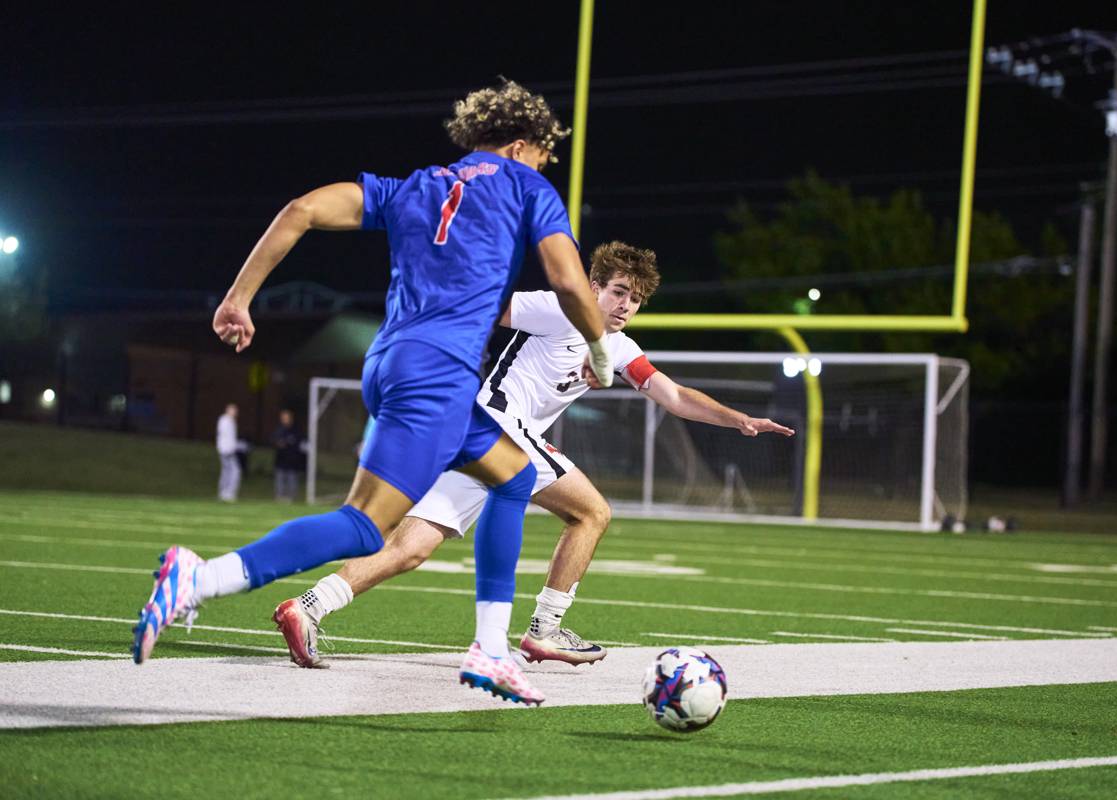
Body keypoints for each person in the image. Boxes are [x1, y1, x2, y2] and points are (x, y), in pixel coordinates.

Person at [131, 80, 611, 707]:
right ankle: (199, 579)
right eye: (543, 156)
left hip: (392, 361)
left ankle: (492, 652)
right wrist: (599, 348)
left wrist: (238, 298)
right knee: (363, 527)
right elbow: (570, 281)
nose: (543, 167)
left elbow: (301, 209)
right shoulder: (525, 184)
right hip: (437, 375)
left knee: (514, 476)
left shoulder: (413, 186)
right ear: (522, 146)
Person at [279, 242, 794, 669]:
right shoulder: (559, 308)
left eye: (635, 299)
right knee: (592, 512)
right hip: (496, 425)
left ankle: (308, 607)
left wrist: (738, 419)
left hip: (476, 439)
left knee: (411, 549)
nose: (625, 305)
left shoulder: (618, 349)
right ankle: (545, 629)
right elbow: (486, 307)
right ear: (593, 286)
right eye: (618, 291)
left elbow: (675, 396)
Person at [272, 409, 305, 502]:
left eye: (286, 418)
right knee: (280, 478)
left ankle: (291, 497)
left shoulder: (295, 430)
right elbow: (273, 440)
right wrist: (278, 443)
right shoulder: (279, 429)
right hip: (280, 459)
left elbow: (298, 442)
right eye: (283, 418)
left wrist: (287, 443)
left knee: (292, 478)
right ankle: (279, 497)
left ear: (290, 418)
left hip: (292, 460)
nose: (284, 420)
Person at [216, 403, 241, 502]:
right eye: (233, 410)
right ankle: (227, 493)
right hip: (226, 450)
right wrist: (226, 449)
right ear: (228, 410)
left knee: (228, 471)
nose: (234, 413)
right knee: (233, 471)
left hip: (229, 449)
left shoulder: (231, 421)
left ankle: (226, 492)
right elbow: (224, 436)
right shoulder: (225, 421)